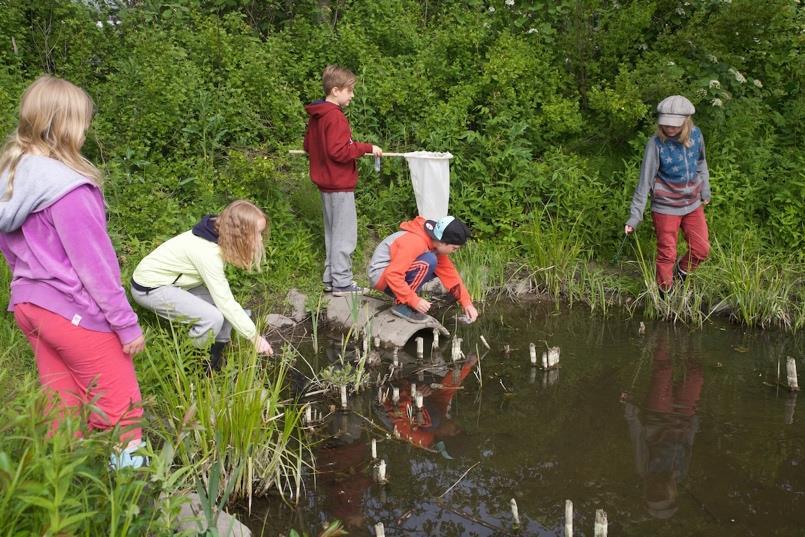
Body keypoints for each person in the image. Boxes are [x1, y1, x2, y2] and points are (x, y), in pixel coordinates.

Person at [0, 76, 146, 469]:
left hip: (30, 306)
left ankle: (70, 485)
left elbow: (12, 252)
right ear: (63, 124)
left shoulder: (14, 179)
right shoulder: (69, 189)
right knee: (122, 410)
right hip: (73, 312)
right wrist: (126, 324)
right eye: (82, 121)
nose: (85, 130)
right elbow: (96, 267)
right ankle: (132, 505)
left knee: (61, 404)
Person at [130, 200, 273, 371]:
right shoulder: (207, 253)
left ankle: (215, 356)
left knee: (228, 311)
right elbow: (225, 302)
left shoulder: (218, 231)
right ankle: (192, 363)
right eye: (256, 233)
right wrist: (254, 337)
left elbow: (226, 303)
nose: (259, 239)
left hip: (177, 283)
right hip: (151, 288)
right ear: (239, 232)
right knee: (212, 317)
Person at [303, 65, 383, 296]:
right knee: (344, 235)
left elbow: (308, 146)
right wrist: (366, 147)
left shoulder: (317, 115)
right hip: (339, 184)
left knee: (332, 232)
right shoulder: (335, 117)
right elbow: (338, 151)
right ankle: (342, 282)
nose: (352, 95)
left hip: (325, 184)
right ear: (336, 91)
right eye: (349, 91)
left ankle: (331, 278)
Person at [625, 95, 711, 292]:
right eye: (666, 124)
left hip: (692, 204)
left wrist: (705, 188)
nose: (670, 129)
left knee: (701, 249)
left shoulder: (696, 135)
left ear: (686, 121)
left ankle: (681, 272)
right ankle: (665, 293)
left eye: (674, 125)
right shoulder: (655, 144)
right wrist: (634, 217)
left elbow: (701, 163)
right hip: (666, 207)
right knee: (667, 254)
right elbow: (644, 182)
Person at [367, 215, 479, 324]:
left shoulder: (435, 245)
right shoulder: (415, 242)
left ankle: (404, 300)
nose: (454, 252)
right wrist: (413, 300)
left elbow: (451, 276)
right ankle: (401, 305)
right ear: (441, 242)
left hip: (390, 273)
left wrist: (467, 303)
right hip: (381, 275)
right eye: (454, 248)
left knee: (434, 263)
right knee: (429, 261)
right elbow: (393, 274)